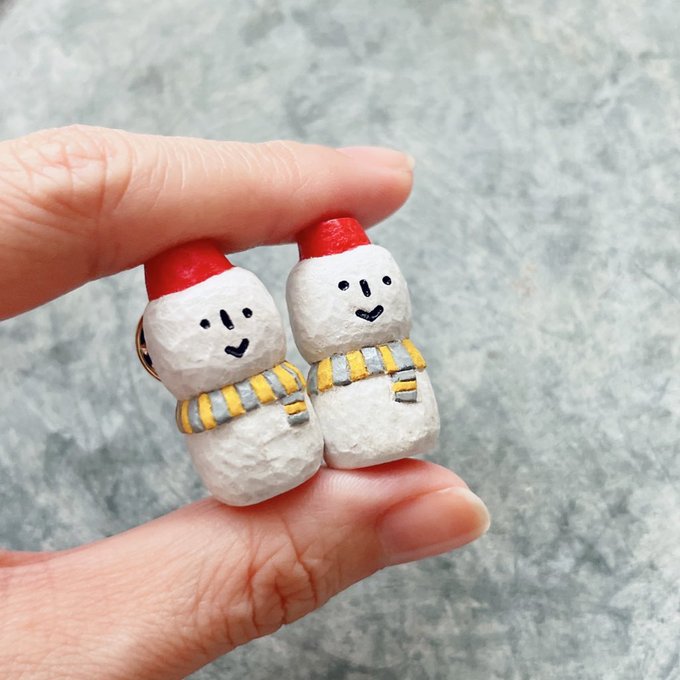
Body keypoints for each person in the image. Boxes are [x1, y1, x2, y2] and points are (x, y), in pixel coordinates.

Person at [0, 126, 490, 678]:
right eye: (213, 326)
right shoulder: (219, 395)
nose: (234, 335)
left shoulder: (341, 360)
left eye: (243, 317)